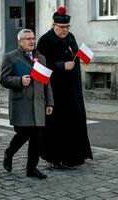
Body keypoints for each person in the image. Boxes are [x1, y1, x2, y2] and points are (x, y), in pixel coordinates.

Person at [36, 7, 93, 168]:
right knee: (57, 125)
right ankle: (55, 158)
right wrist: (61, 65)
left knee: (75, 121)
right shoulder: (45, 40)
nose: (65, 30)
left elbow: (75, 54)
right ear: (53, 25)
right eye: (61, 27)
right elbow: (41, 66)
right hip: (55, 90)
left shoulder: (71, 37)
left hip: (72, 89)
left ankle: (74, 156)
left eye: (67, 27)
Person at [0, 29, 54, 179]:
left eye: (33, 38)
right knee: (23, 134)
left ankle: (32, 169)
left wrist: (50, 102)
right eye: (27, 39)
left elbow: (46, 82)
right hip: (21, 104)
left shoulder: (41, 58)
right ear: (20, 41)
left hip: (38, 104)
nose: (31, 41)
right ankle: (9, 152)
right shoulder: (11, 57)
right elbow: (3, 79)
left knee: (37, 138)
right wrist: (19, 81)